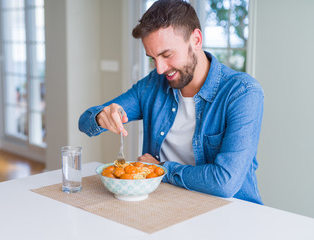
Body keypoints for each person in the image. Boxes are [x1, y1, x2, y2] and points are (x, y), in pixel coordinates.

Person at [79, 0, 264, 204]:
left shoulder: (242, 93)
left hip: (231, 213)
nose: (159, 69)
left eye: (166, 55)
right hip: (166, 205)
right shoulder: (152, 86)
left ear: (196, 39)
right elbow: (85, 122)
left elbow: (224, 183)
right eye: (152, 58)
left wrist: (161, 169)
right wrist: (101, 116)